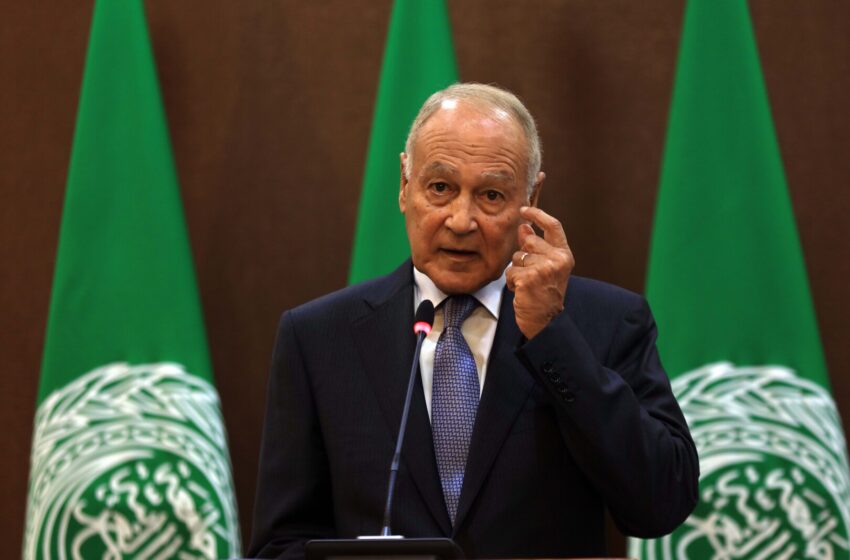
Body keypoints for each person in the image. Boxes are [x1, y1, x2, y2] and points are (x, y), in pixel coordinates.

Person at [249, 83, 698, 559]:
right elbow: (279, 545)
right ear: (404, 184)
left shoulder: (605, 322)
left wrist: (552, 337)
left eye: (491, 195)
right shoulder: (319, 338)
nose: (461, 221)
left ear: (531, 197)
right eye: (440, 188)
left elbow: (661, 503)